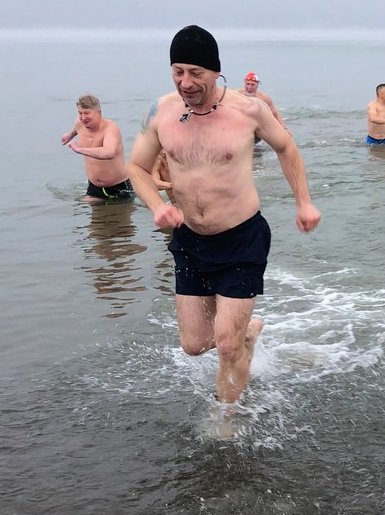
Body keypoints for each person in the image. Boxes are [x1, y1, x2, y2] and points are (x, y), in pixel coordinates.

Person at [127, 25, 322, 406]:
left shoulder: (249, 110)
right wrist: (158, 206)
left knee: (227, 345)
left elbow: (286, 147)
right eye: (177, 71)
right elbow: (136, 167)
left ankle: (226, 419)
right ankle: (247, 332)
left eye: (195, 73)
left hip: (241, 238)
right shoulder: (161, 111)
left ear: (216, 71)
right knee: (194, 344)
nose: (185, 82)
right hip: (189, 239)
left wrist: (304, 201)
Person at [61, 95, 132, 202]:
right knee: (88, 211)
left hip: (119, 187)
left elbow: (109, 152)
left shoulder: (110, 128)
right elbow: (77, 128)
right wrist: (70, 135)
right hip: (94, 187)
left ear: (98, 113)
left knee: (119, 212)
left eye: (87, 113)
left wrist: (79, 149)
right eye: (80, 113)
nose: (83, 118)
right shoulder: (80, 123)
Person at [243, 72, 289, 144]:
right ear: (244, 83)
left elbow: (275, 114)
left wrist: (283, 129)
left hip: (257, 134)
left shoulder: (264, 98)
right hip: (243, 132)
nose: (249, 87)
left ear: (257, 85)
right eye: (247, 84)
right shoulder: (237, 95)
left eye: (252, 85)